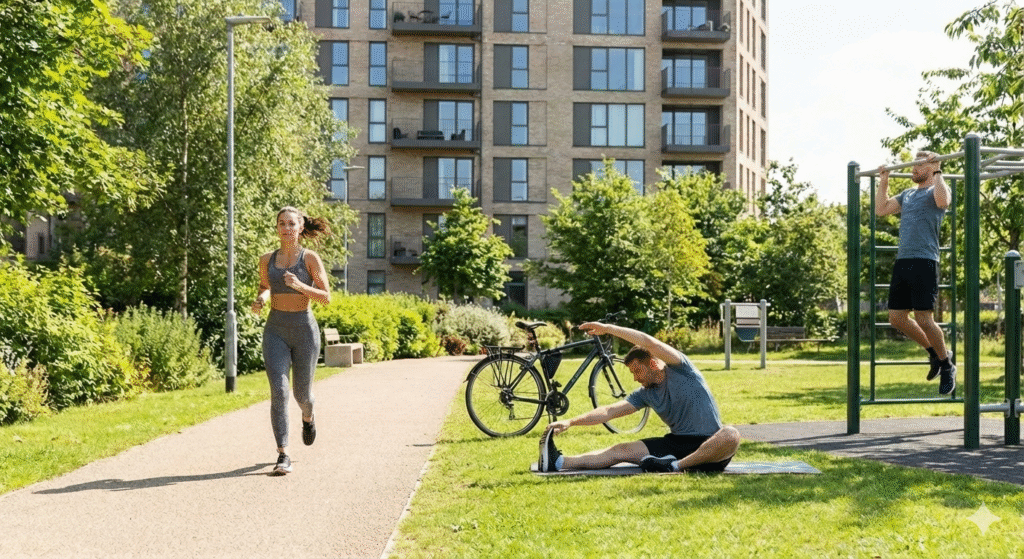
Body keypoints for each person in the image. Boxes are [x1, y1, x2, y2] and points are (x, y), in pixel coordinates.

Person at [538, 321, 740, 473]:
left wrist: (608, 328)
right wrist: (570, 422)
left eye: (637, 371)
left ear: (653, 364)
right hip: (675, 445)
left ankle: (674, 466)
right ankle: (558, 462)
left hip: (711, 447)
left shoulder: (682, 369)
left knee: (731, 434)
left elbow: (647, 341)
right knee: (620, 450)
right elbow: (609, 411)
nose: (635, 379)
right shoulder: (646, 394)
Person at [252, 206, 332, 475]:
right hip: (275, 329)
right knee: (279, 391)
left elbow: (325, 297)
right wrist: (261, 299)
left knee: (302, 395)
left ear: (300, 228)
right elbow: (266, 287)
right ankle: (283, 453)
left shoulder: (310, 259)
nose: (286, 228)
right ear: (277, 228)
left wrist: (299, 285)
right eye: (282, 223)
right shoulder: (266, 259)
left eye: (291, 224)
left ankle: (308, 418)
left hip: (304, 330)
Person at [875, 151, 957, 395]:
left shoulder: (936, 189)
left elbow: (944, 201)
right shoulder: (908, 194)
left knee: (924, 318)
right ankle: (935, 353)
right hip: (904, 262)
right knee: (896, 318)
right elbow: (881, 209)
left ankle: (947, 365)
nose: (912, 169)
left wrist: (938, 169)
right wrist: (885, 180)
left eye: (917, 166)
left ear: (930, 168)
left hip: (925, 261)